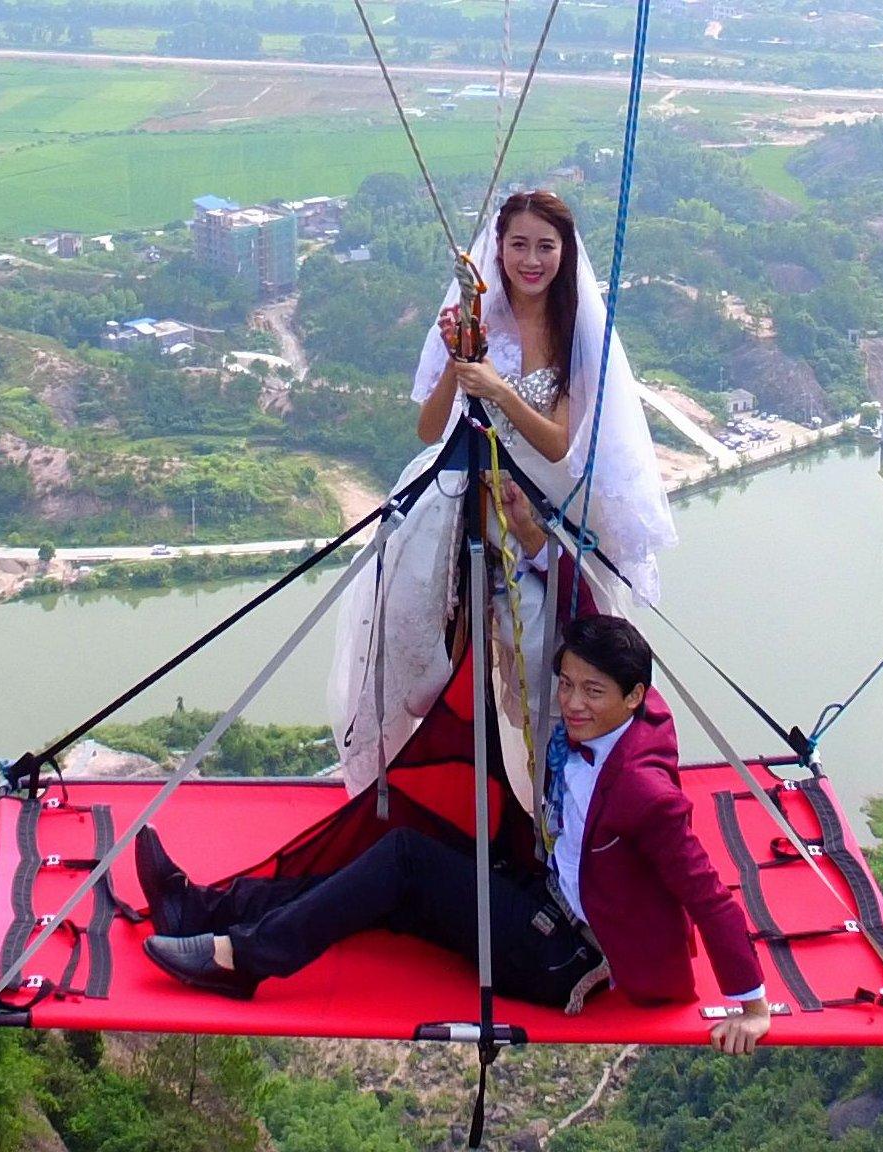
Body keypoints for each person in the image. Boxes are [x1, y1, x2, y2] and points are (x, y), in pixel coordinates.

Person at [138, 612, 773, 1054]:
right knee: (388, 880)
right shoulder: (612, 717)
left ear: (635, 698)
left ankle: (240, 961)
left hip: (569, 958)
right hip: (542, 897)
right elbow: (587, 629)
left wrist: (752, 1005)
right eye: (568, 685)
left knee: (406, 863)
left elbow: (707, 893)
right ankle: (198, 910)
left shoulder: (643, 791)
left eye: (593, 692)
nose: (573, 704)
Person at [326, 190, 677, 804]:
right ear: (499, 247)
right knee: (405, 610)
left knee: (545, 648)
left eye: (546, 246)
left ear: (565, 254)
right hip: (458, 481)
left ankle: (548, 794)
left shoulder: (575, 330)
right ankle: (418, 776)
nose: (531, 260)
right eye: (519, 245)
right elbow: (431, 427)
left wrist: (498, 388)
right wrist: (458, 364)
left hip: (536, 493)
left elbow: (559, 442)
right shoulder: (473, 317)